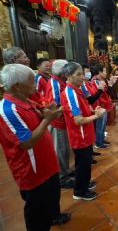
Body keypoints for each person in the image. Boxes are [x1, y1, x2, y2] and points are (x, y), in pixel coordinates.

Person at [0, 64, 70, 230]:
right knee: (37, 213)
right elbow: (26, 142)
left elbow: (42, 112)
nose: (36, 85)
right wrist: (48, 120)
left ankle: (54, 216)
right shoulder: (8, 110)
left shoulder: (26, 100)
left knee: (52, 196)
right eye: (31, 82)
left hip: (47, 164)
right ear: (17, 86)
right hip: (32, 171)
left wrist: (49, 111)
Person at [61, 62, 106, 201]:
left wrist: (93, 110)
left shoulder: (78, 90)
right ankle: (80, 191)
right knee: (81, 165)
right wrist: (96, 115)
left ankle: (84, 183)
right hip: (79, 136)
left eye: (82, 73)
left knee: (85, 163)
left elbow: (83, 108)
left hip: (85, 134)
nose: (82, 77)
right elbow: (78, 120)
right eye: (78, 74)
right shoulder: (70, 93)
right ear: (68, 76)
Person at [45, 59, 75, 189]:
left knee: (64, 148)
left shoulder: (60, 81)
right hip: (58, 121)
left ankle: (65, 171)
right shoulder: (55, 83)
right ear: (62, 72)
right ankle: (62, 177)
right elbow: (56, 105)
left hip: (62, 120)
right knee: (61, 149)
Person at [90, 65, 113, 149]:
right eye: (104, 71)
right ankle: (98, 142)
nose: (106, 73)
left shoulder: (101, 80)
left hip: (104, 105)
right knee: (99, 125)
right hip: (100, 106)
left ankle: (102, 139)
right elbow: (99, 95)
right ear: (99, 72)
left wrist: (110, 85)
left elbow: (107, 93)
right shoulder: (95, 82)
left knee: (103, 125)